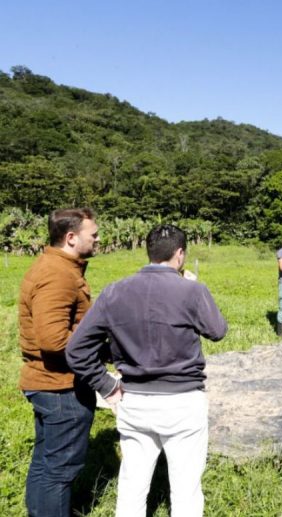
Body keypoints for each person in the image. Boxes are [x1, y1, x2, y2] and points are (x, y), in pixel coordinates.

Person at [66, 224, 227, 517]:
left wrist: (106, 385)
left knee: (132, 486)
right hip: (183, 402)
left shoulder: (115, 291)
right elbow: (217, 331)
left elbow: (76, 350)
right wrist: (196, 287)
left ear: (149, 251)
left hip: (135, 401)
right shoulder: (191, 290)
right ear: (180, 254)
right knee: (186, 490)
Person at [18, 207, 100, 517]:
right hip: (61, 387)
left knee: (45, 462)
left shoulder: (58, 267)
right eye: (93, 234)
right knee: (59, 471)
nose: (98, 238)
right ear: (70, 237)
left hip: (47, 383)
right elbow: (53, 341)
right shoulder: (58, 275)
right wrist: (96, 336)